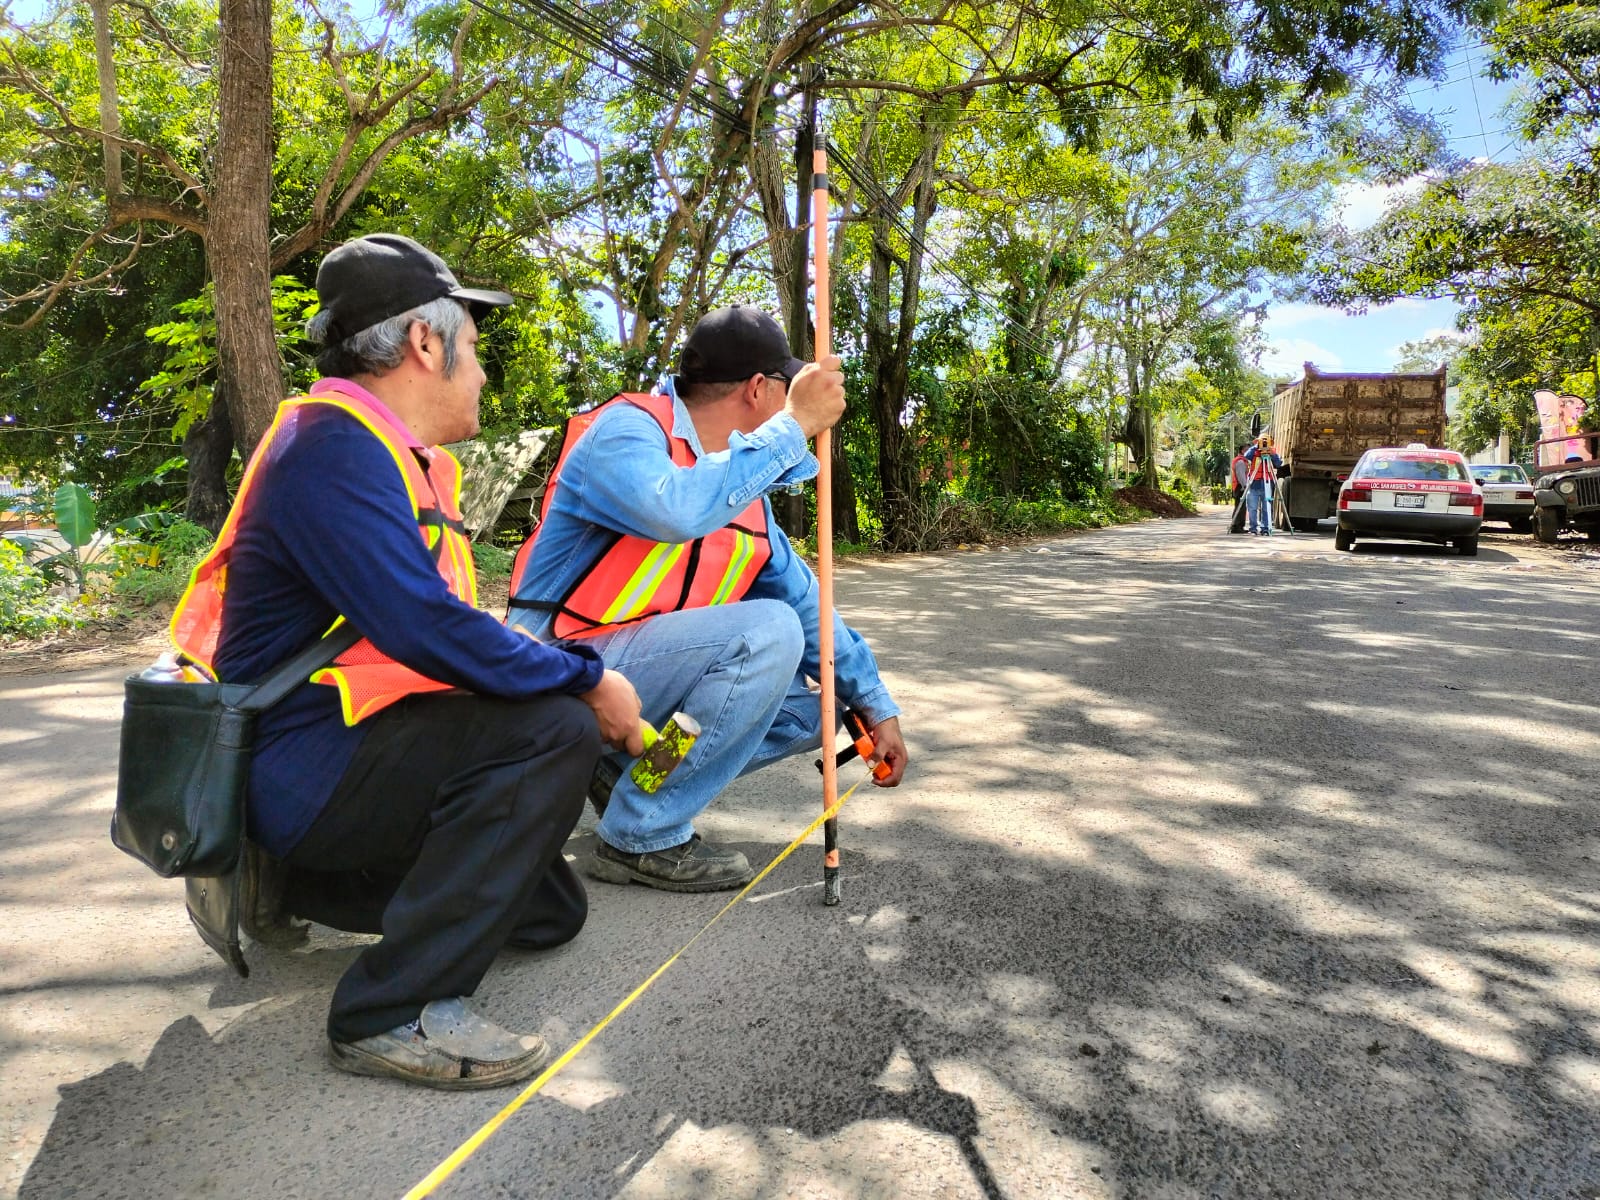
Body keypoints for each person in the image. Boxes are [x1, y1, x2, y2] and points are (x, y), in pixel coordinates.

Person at [168, 233, 643, 1089]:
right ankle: (390, 1012)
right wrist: (591, 677)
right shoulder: (331, 449)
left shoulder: (380, 452)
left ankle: (296, 885)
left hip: (347, 746)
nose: (485, 373)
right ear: (426, 343)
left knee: (548, 912)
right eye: (476, 344)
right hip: (303, 762)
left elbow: (441, 630)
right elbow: (425, 626)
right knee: (555, 731)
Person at [508, 304, 909, 893]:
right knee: (766, 634)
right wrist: (794, 426)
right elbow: (675, 508)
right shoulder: (629, 431)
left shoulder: (745, 490)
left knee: (821, 712)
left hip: (639, 686)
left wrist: (874, 704)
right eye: (787, 391)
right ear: (758, 390)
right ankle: (640, 831)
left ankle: (635, 776)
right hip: (559, 670)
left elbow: (807, 605)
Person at [1243, 435, 1282, 535]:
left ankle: (1265, 528)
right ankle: (1253, 528)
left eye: (1266, 441)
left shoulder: (1271, 452)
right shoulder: (1254, 452)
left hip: (1267, 484)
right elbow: (1246, 456)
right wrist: (1256, 446)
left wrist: (1273, 454)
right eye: (1262, 441)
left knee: (1266, 508)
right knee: (1252, 508)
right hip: (1254, 484)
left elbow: (1278, 464)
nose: (1264, 444)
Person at [1228, 445, 1251, 534]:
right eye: (1246, 450)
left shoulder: (1242, 461)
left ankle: (1238, 526)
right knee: (1240, 507)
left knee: (1240, 507)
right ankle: (1236, 526)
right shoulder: (1241, 462)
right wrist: (1245, 486)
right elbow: (1241, 476)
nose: (1248, 451)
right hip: (1239, 487)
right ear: (1241, 451)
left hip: (1239, 486)